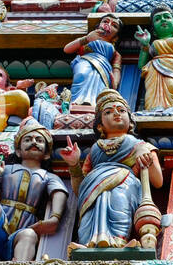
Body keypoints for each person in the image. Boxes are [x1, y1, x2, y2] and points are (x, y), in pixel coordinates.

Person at [59, 90, 162, 249]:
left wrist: (147, 157)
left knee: (118, 202)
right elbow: (80, 189)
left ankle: (118, 243)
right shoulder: (94, 151)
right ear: (100, 125)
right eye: (108, 112)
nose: (116, 114)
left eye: (121, 110)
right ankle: (89, 243)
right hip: (92, 190)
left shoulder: (139, 145)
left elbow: (158, 181)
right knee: (91, 213)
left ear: (131, 121)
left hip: (124, 185)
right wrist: (73, 164)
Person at [0, 119, 68, 262]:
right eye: (27, 139)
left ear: (47, 153)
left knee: (29, 234)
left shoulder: (48, 176)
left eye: (39, 140)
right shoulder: (7, 170)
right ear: (18, 151)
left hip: (22, 232)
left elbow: (59, 192)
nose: (33, 142)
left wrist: (55, 217)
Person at [136, 5, 173, 110]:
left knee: (172, 86)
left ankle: (171, 109)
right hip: (154, 71)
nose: (163, 20)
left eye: (167, 17)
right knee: (152, 92)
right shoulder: (154, 43)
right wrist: (145, 45)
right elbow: (141, 65)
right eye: (157, 19)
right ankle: (153, 110)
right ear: (154, 31)